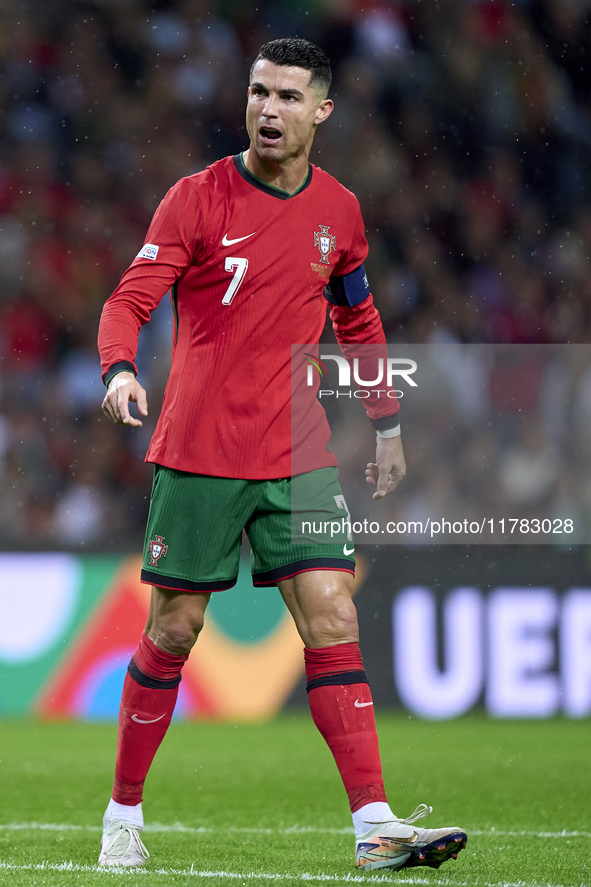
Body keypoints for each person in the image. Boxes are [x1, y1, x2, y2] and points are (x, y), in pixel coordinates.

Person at [98, 37, 467, 872]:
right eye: (259, 92)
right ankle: (123, 812)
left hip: (296, 452)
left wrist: (385, 421)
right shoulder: (195, 200)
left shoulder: (339, 210)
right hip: (198, 447)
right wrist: (119, 368)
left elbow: (358, 318)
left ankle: (373, 823)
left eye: (289, 97)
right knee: (176, 626)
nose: (269, 109)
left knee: (333, 614)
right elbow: (130, 297)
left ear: (321, 111)